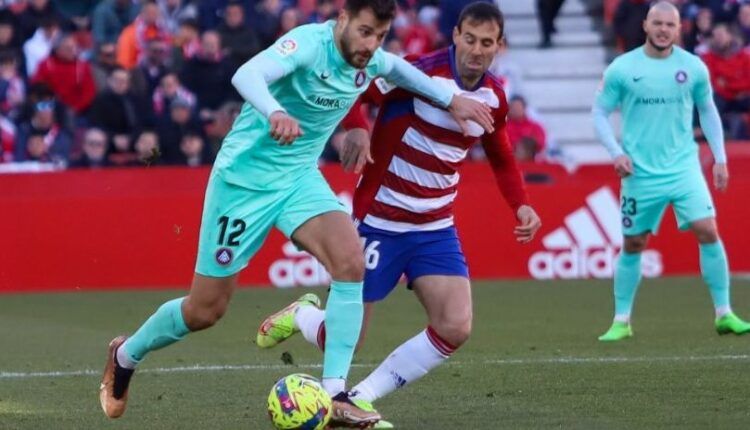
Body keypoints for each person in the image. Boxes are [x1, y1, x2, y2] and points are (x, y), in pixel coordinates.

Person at [98, 0, 494, 427]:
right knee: (204, 311)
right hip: (242, 185)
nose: (370, 45)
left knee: (350, 262)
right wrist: (276, 111)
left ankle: (335, 394)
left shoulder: (372, 59)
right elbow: (245, 74)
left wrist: (451, 98)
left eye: (379, 36)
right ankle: (125, 354)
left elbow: (400, 71)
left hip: (298, 180)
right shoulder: (308, 43)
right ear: (342, 19)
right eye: (364, 32)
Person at [255, 2, 541, 426]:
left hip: (434, 227)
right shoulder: (416, 73)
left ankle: (361, 396)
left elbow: (498, 153)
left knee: (455, 325)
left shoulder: (495, 96)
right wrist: (355, 127)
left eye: (487, 43)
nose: (476, 51)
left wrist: (521, 203)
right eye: (469, 39)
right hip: (379, 222)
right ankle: (302, 314)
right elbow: (349, 88)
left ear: (500, 46)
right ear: (456, 35)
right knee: (343, 338)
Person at [592, 1, 750, 342]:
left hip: (683, 167)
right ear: (646, 26)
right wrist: (615, 153)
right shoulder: (623, 67)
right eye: (658, 23)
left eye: (670, 24)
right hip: (639, 172)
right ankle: (621, 320)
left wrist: (720, 158)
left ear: (678, 29)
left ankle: (725, 313)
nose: (664, 29)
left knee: (707, 229)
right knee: (634, 243)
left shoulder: (693, 67)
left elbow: (708, 111)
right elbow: (599, 113)